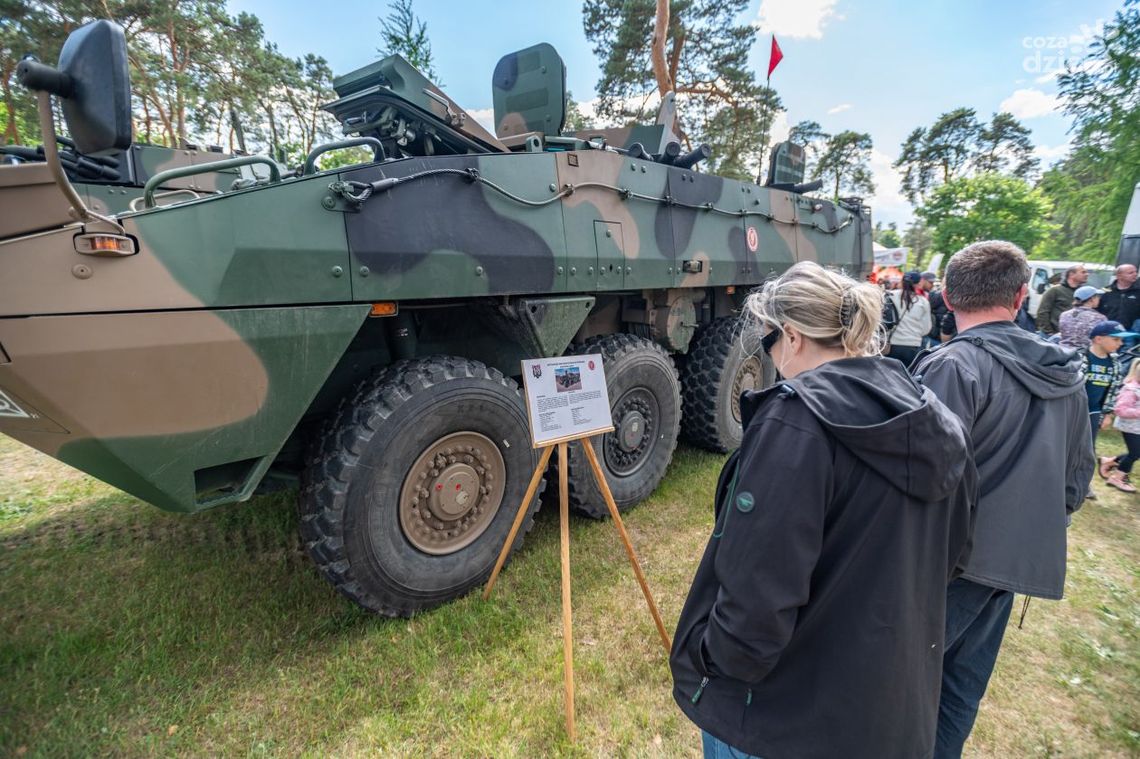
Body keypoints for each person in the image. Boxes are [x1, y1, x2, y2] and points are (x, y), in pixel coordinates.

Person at [671, 261, 976, 759]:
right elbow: (955, 553)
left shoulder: (796, 422)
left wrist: (713, 658)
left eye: (768, 342)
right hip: (887, 708)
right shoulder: (934, 414)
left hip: (780, 718)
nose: (771, 357)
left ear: (792, 336)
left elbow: (757, 594)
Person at [911, 241, 1094, 758]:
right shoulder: (1065, 371)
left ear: (948, 297)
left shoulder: (953, 366)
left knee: (898, 684)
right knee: (957, 691)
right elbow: (1076, 482)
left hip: (948, 565)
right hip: (1010, 561)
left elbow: (920, 477)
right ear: (1020, 296)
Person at [1083, 321, 1135, 493]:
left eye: (1121, 340)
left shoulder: (1114, 362)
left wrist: (1107, 413)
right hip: (1072, 411)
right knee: (1064, 446)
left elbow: (1112, 390)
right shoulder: (1081, 357)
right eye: (1115, 339)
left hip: (1093, 411)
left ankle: (1082, 483)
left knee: (1088, 449)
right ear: (1098, 339)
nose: (1120, 343)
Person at [1106, 360, 1140, 493]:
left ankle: (1110, 461)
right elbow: (1120, 410)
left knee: (1136, 452)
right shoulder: (1131, 390)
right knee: (1135, 453)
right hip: (1130, 427)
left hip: (1137, 427)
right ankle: (1117, 478)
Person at [885, 271, 932, 366]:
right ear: (919, 283)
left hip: (891, 344)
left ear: (902, 281)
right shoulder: (923, 302)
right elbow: (926, 329)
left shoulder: (889, 296)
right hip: (913, 345)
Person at [1036, 263, 1088, 336]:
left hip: (1075, 336)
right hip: (1055, 335)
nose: (1087, 274)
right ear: (1071, 274)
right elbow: (1043, 312)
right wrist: (1049, 332)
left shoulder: (1084, 292)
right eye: (1083, 272)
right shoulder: (1055, 291)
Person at [1058, 285, 1106, 350]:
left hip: (1063, 351)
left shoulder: (1064, 315)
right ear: (1091, 299)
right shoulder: (1099, 318)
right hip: (1084, 353)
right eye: (1097, 297)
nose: (1099, 299)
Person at [1097, 263, 1140, 329]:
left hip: (1132, 332)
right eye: (1130, 273)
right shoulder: (1105, 291)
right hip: (1108, 331)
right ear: (1119, 276)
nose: (1135, 274)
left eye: (1136, 272)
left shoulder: (1138, 291)